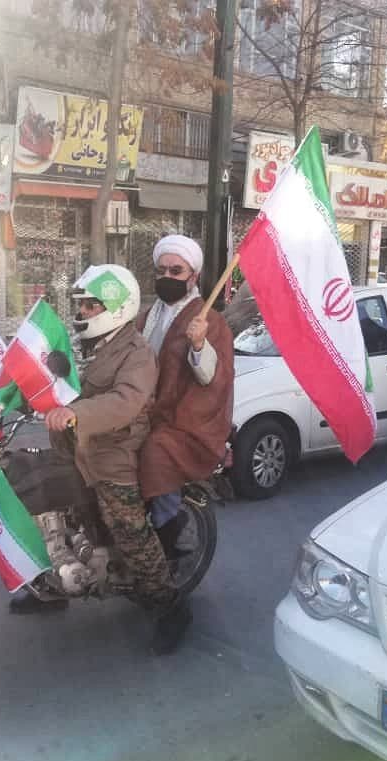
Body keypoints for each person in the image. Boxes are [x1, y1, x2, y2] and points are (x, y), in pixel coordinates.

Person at [12, 264, 193, 655]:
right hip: (74, 447)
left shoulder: (137, 353)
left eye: (92, 306)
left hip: (115, 453)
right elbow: (58, 382)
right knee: (41, 505)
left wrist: (78, 414)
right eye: (83, 306)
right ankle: (52, 587)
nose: (84, 314)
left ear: (116, 308)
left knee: (128, 530)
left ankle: (169, 606)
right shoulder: (85, 345)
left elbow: (125, 401)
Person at [136, 235, 234, 556]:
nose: (167, 277)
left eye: (175, 271)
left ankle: (168, 531)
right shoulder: (148, 315)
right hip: (142, 407)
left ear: (193, 276)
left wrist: (198, 345)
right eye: (161, 270)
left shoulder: (209, 321)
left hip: (182, 419)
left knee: (156, 452)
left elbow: (211, 377)